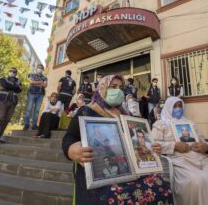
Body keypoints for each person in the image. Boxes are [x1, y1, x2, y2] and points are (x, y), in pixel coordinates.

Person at [62, 75, 173, 205]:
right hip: (101, 171)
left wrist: (151, 147)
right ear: (101, 88)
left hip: (131, 168)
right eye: (113, 87)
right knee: (119, 198)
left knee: (161, 188)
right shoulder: (87, 111)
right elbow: (69, 137)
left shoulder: (125, 114)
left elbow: (136, 138)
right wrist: (71, 150)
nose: (119, 91)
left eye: (121, 87)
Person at [152, 97, 208, 205]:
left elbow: (202, 140)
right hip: (180, 160)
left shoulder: (190, 123)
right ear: (169, 107)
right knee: (197, 182)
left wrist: (205, 147)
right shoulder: (160, 124)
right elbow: (153, 145)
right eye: (175, 106)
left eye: (180, 106)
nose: (178, 108)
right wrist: (174, 146)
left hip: (201, 158)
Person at [0, 67, 22, 144]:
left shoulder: (18, 81)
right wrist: (14, 86)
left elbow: (19, 90)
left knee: (6, 120)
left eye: (14, 71)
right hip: (2, 101)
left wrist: (7, 86)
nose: (12, 72)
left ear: (16, 74)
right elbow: (7, 85)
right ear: (9, 71)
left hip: (13, 102)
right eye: (11, 71)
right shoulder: (3, 79)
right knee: (0, 118)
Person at [24, 64, 47, 130]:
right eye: (39, 67)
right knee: (29, 109)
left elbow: (45, 85)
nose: (40, 69)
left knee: (37, 111)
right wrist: (40, 82)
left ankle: (34, 125)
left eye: (41, 68)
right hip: (32, 93)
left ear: (43, 69)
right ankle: (26, 124)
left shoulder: (44, 77)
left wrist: (35, 82)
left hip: (41, 94)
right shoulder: (31, 74)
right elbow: (31, 82)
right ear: (36, 68)